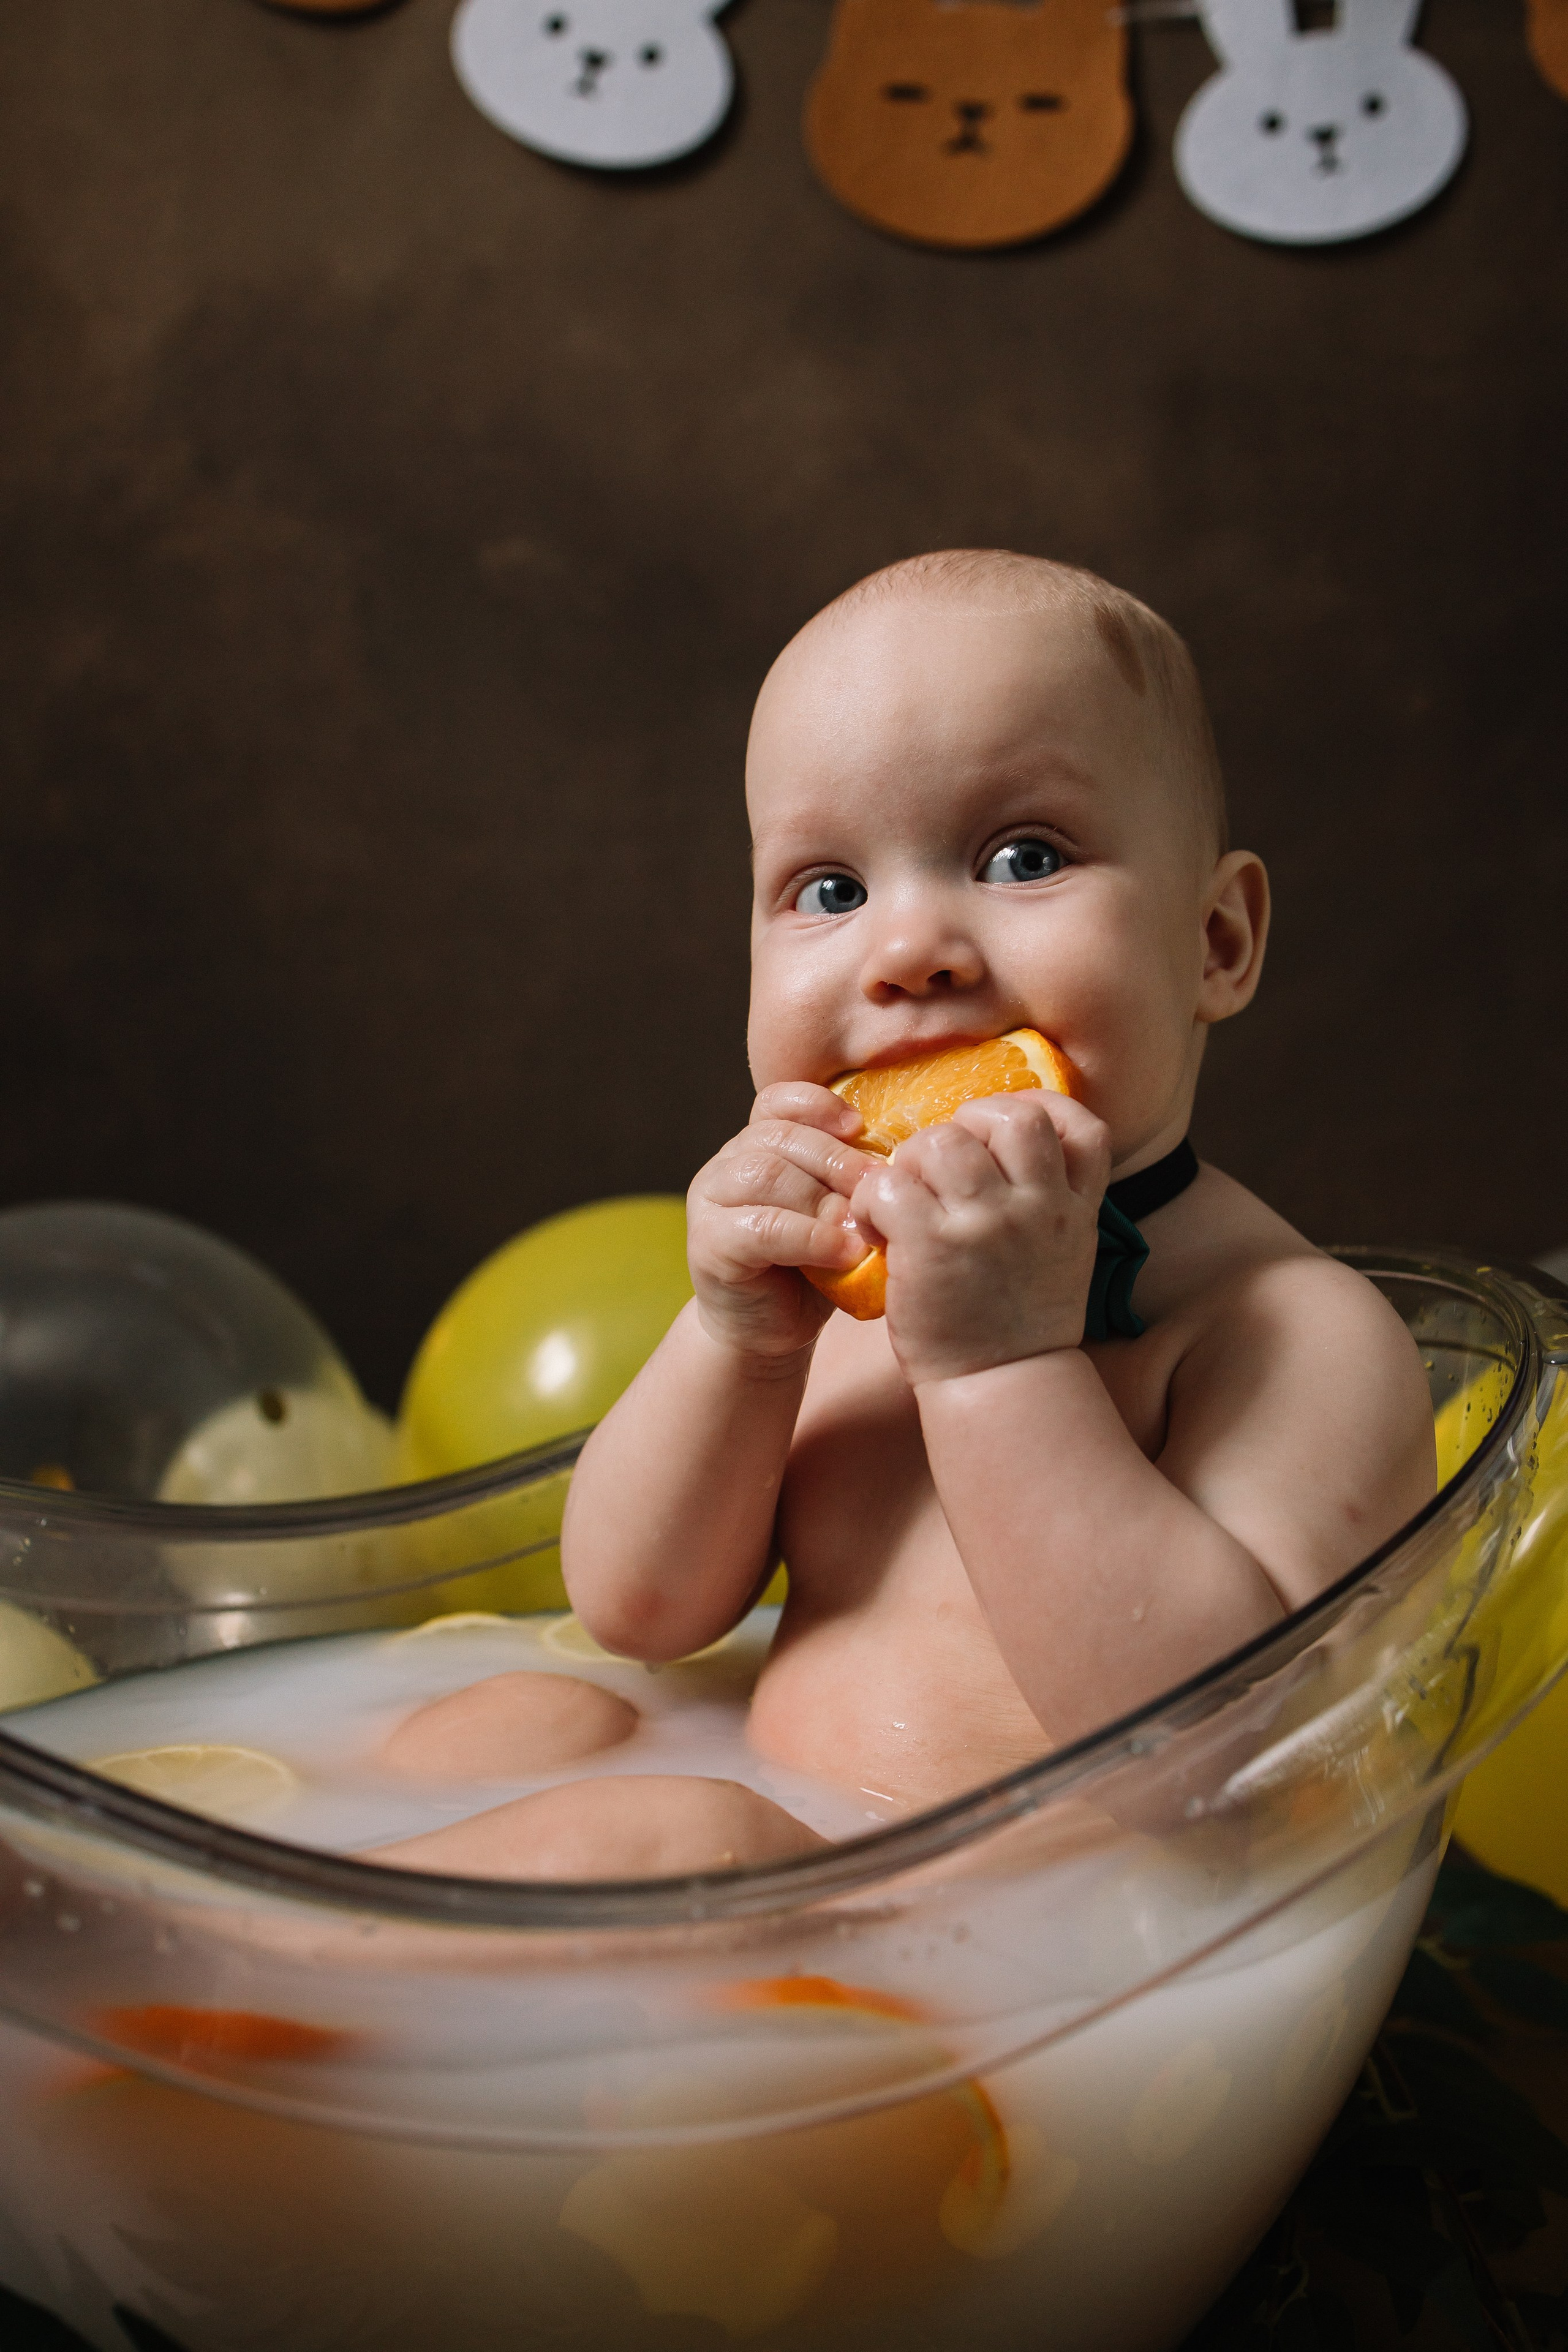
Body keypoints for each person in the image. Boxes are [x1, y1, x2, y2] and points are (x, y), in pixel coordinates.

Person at [560, 551, 1436, 1814]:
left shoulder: (1293, 1332)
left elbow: (1230, 1761)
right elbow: (637, 1613)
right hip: (788, 1868)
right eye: (829, 889)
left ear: (1214, 943)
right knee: (531, 1716)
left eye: (1023, 857)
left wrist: (1000, 1370)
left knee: (668, 1826)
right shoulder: (827, 1304)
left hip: (1060, 1948)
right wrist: (735, 1344)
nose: (907, 949)